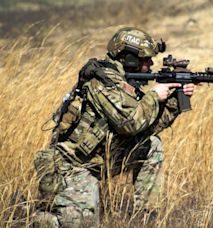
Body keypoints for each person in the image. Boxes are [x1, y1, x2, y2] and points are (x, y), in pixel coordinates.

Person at [33, 27, 195, 227]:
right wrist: (154, 96)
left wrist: (174, 102)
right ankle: (46, 216)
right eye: (145, 60)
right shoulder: (103, 81)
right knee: (80, 223)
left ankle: (145, 219)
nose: (151, 64)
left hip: (98, 158)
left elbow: (146, 127)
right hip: (73, 166)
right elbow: (130, 124)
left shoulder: (124, 82)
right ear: (130, 59)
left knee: (151, 144)